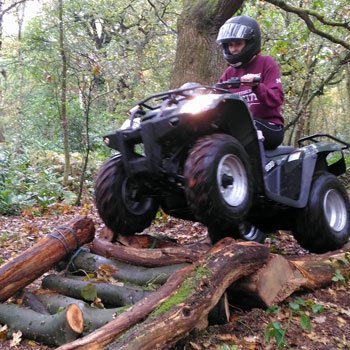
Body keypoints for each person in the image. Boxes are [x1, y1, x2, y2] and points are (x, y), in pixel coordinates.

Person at [216, 15, 284, 149]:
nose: (233, 49)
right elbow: (218, 94)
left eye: (238, 44)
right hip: (241, 126)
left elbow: (277, 99)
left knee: (239, 125)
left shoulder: (267, 63)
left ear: (250, 43)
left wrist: (256, 86)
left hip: (270, 126)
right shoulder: (229, 72)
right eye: (230, 45)